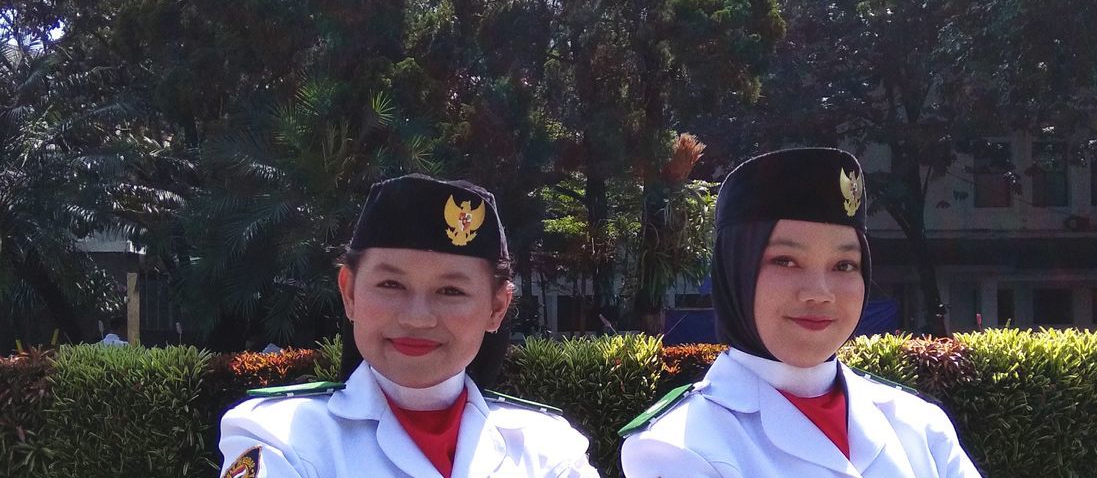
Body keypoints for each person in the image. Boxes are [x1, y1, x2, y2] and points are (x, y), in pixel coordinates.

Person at [620, 147, 982, 478]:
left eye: (843, 265)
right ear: (735, 272)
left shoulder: (919, 426)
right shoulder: (675, 447)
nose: (819, 294)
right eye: (786, 260)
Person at [219, 174, 600, 478]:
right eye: (391, 284)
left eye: (451, 290)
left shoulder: (549, 449)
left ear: (497, 307)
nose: (417, 317)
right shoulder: (279, 440)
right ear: (349, 292)